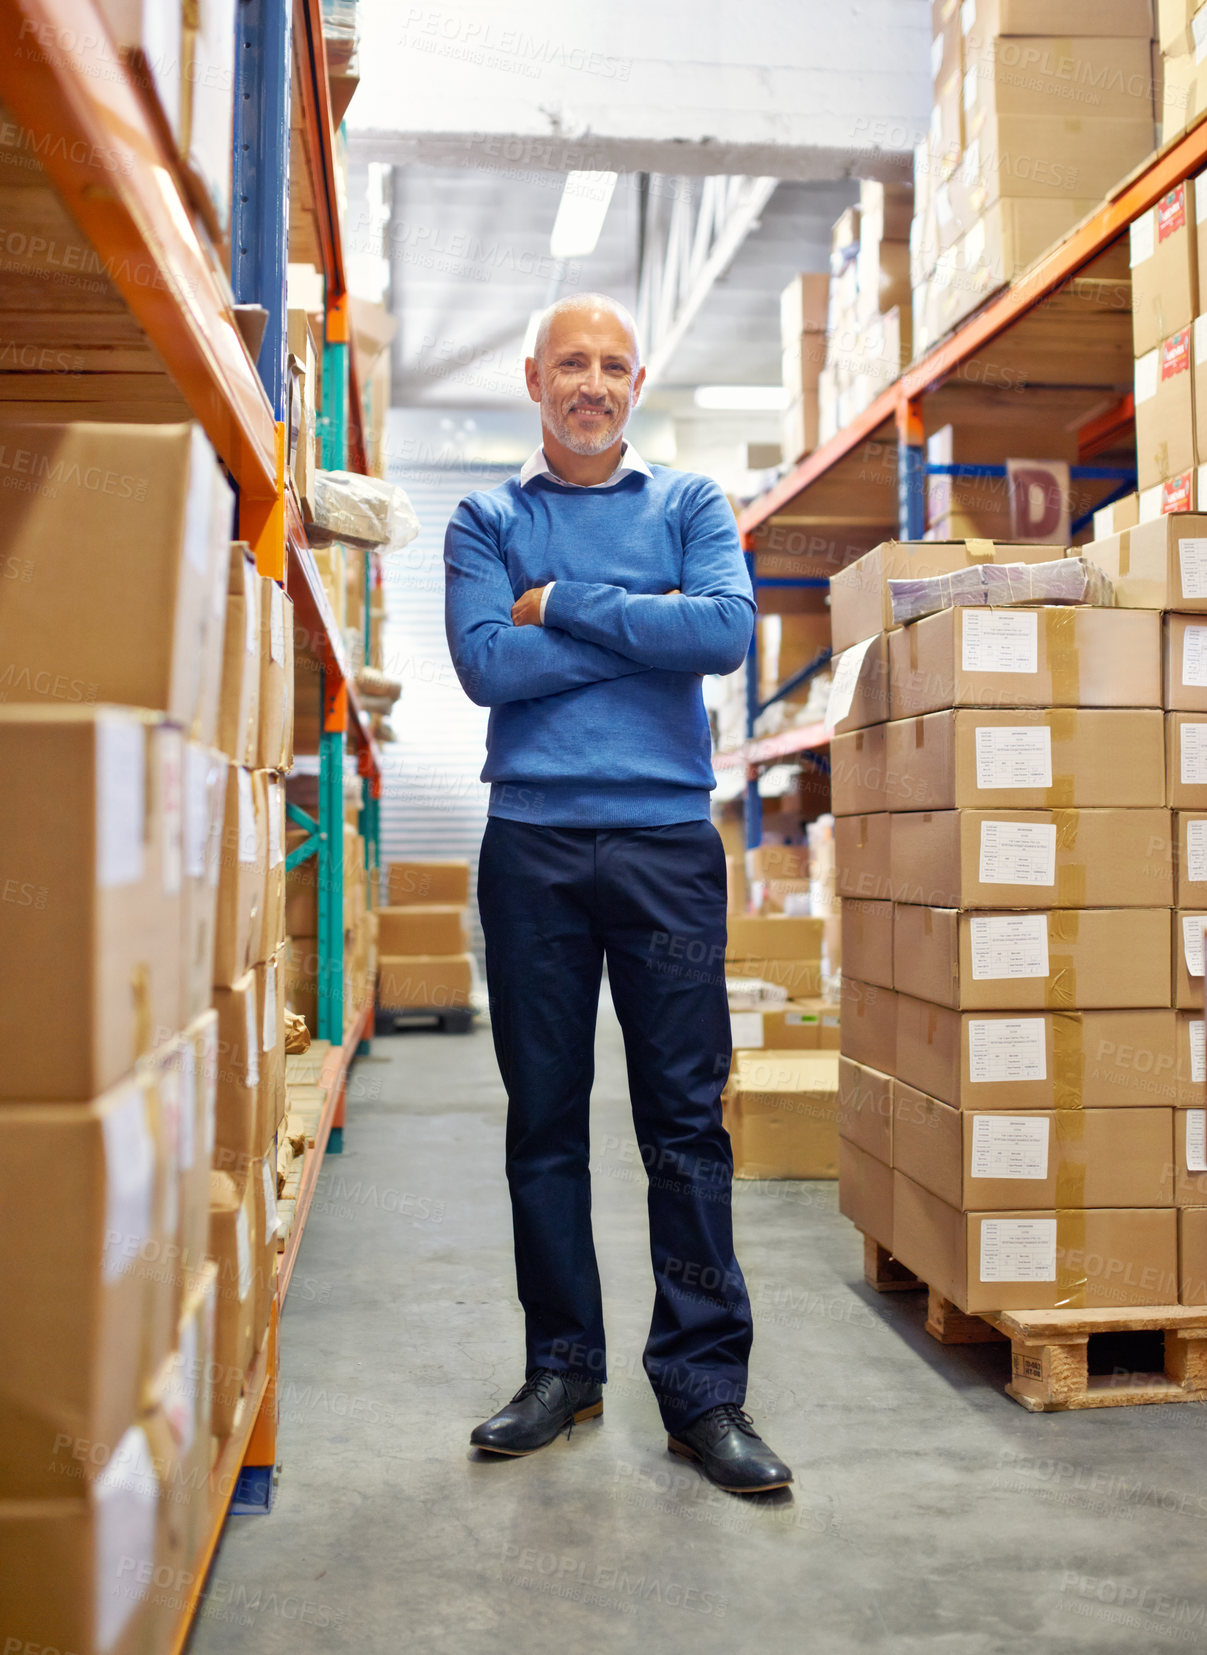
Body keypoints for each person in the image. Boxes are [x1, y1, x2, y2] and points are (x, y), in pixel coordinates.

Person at [443, 292, 792, 1495]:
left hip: (663, 844)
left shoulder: (689, 503)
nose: (591, 383)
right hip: (531, 845)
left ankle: (704, 1394)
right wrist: (652, 629)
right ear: (532, 377)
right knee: (544, 1119)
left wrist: (566, 606)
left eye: (613, 366)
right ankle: (562, 1367)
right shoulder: (485, 515)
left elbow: (727, 635)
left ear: (636, 385)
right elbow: (486, 662)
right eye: (570, 363)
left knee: (684, 1125)